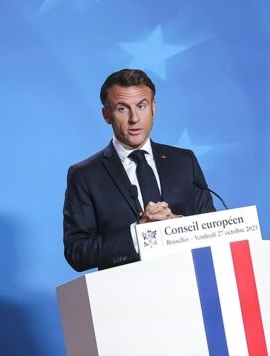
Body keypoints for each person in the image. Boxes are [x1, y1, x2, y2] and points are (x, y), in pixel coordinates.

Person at [63, 68, 215, 271]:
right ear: (107, 115)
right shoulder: (85, 175)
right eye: (122, 109)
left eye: (141, 106)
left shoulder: (183, 161)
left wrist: (177, 226)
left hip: (189, 283)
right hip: (127, 295)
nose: (134, 118)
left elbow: (212, 228)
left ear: (153, 108)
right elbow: (77, 252)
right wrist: (138, 234)